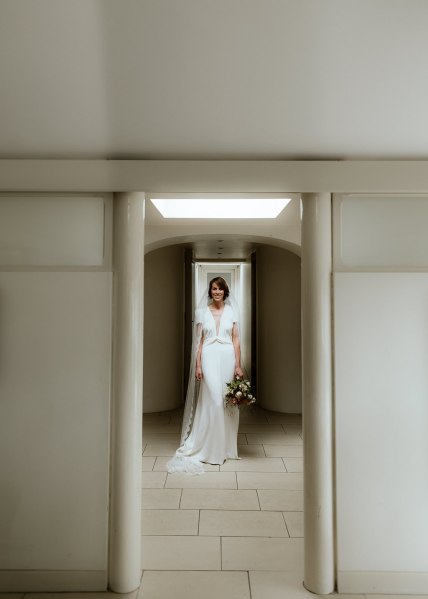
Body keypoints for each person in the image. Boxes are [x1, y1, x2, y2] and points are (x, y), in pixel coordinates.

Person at [167, 277, 243, 474]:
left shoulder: (232, 311)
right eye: (214, 289)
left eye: (220, 289)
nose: (217, 292)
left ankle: (224, 447)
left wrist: (238, 365)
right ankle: (208, 448)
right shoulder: (201, 312)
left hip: (227, 356)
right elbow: (198, 342)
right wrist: (198, 365)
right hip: (208, 356)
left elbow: (236, 340)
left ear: (225, 292)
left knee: (225, 401)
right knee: (214, 400)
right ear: (210, 291)